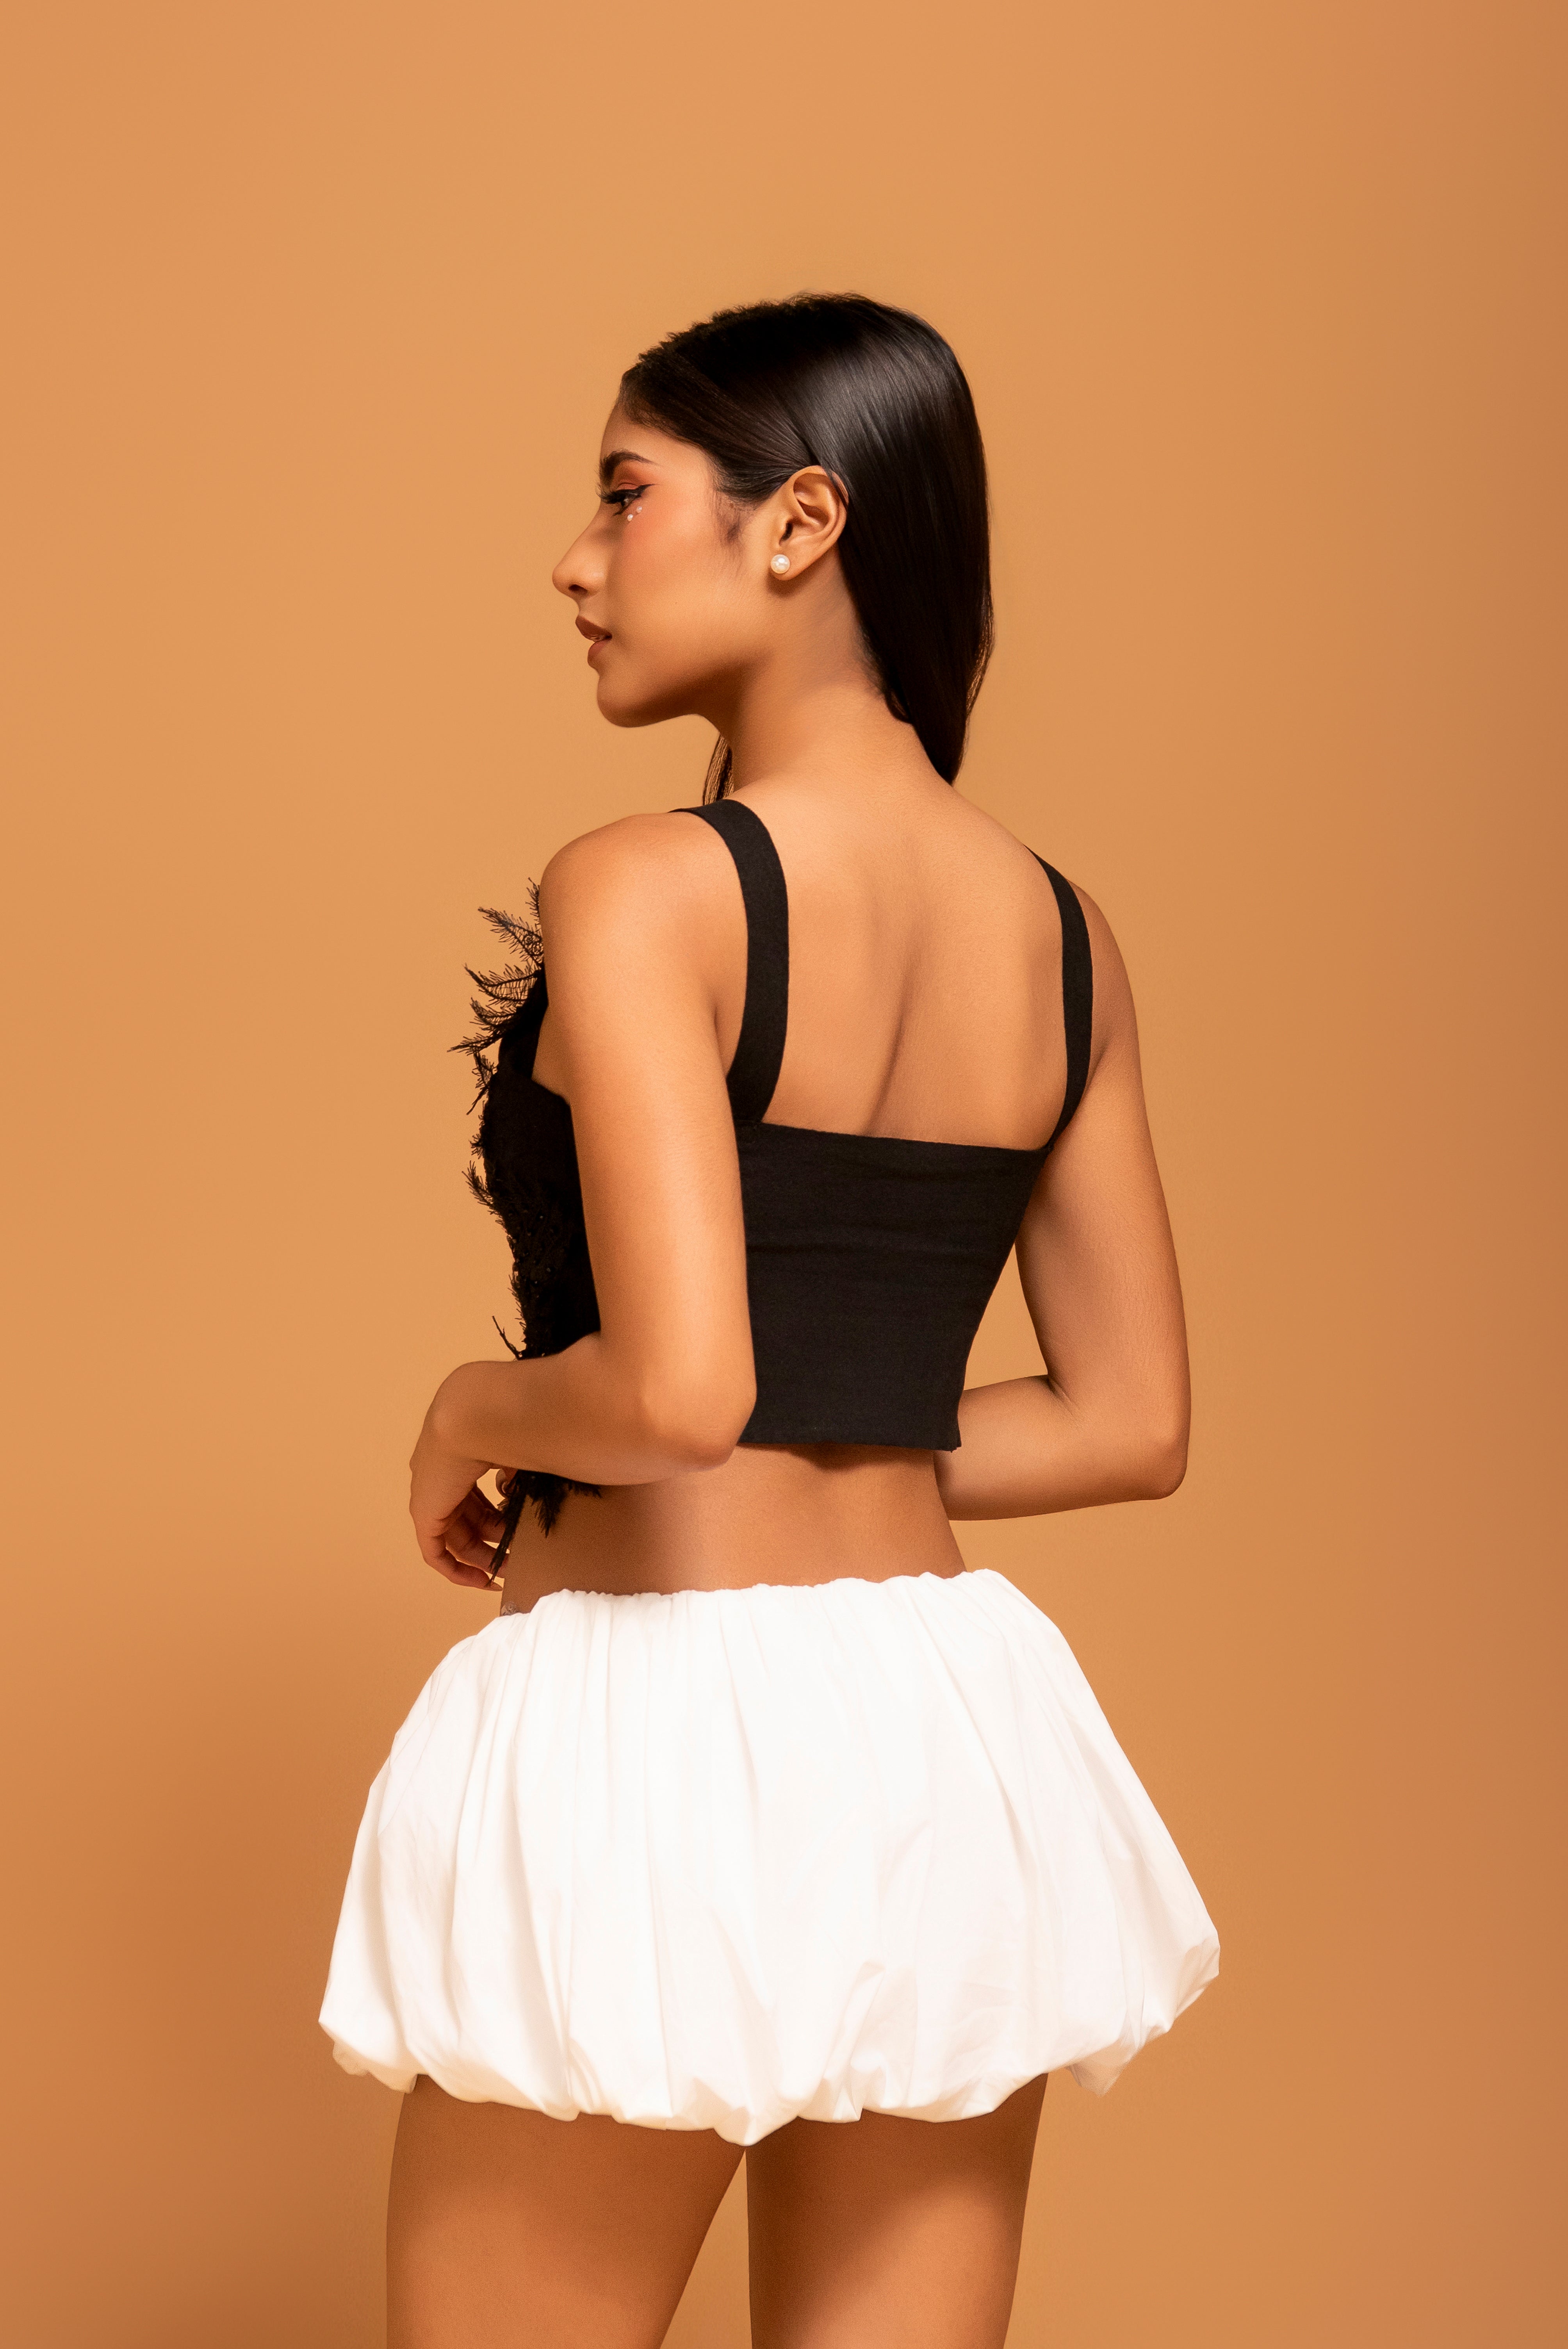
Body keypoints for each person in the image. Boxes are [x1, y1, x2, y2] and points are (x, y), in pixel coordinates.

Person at [321, 293, 1219, 2349]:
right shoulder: (1064, 936)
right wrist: (836, 1435)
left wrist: (466, 1412)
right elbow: (1130, 1422)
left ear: (800, 523)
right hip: (942, 1729)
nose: (577, 560)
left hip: (654, 1735)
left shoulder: (646, 885)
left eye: (624, 494)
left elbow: (679, 1388)